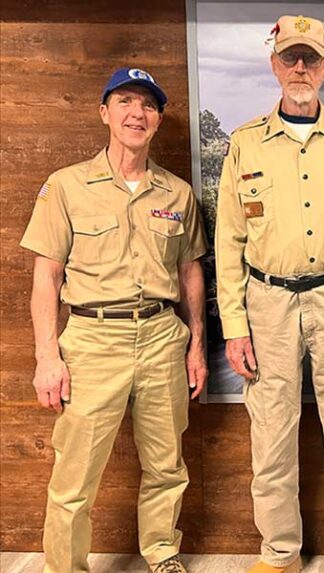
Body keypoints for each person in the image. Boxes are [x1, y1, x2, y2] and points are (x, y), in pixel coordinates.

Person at [214, 14, 324, 573]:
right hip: (266, 303)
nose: (299, 68)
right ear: (274, 65)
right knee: (270, 438)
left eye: (310, 58)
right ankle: (278, 553)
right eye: (290, 57)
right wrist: (235, 327)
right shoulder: (244, 145)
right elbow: (227, 243)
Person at [20, 67, 208, 573]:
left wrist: (195, 348)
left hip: (162, 337)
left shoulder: (177, 194)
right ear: (104, 112)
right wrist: (46, 357)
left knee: (167, 464)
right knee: (75, 474)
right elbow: (46, 278)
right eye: (125, 101)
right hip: (91, 339)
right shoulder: (66, 186)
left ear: (158, 120)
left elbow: (191, 275)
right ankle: (66, 567)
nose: (136, 113)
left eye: (147, 105)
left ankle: (163, 554)